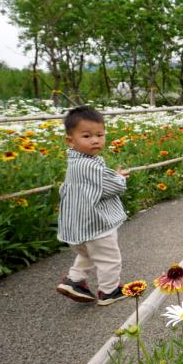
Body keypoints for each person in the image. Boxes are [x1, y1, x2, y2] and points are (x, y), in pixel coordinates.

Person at [55, 106, 129, 306]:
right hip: (95, 225)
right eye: (87, 136)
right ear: (70, 140)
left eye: (100, 135)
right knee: (109, 259)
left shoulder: (76, 161)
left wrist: (111, 175)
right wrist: (119, 178)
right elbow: (111, 187)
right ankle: (109, 291)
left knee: (88, 254)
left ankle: (75, 280)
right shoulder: (90, 165)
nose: (95, 140)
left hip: (77, 227)